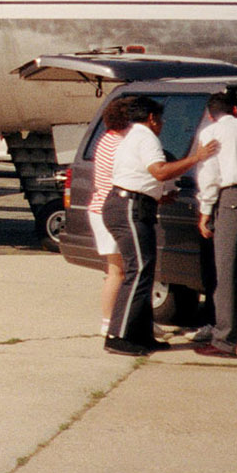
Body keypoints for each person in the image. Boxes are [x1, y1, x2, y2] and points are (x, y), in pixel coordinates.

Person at [103, 96, 220, 355]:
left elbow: (142, 175)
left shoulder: (133, 136)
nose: (163, 124)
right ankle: (117, 336)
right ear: (152, 118)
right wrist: (196, 158)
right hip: (129, 207)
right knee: (138, 271)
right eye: (161, 119)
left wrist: (159, 195)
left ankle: (141, 335)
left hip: (133, 204)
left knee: (144, 272)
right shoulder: (146, 137)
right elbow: (160, 171)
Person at [194, 92, 237, 357]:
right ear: (235, 109)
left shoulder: (211, 132)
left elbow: (210, 174)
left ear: (211, 115)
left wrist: (205, 210)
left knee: (225, 274)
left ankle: (225, 339)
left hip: (231, 197)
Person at [87, 98, 132, 338]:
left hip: (98, 209)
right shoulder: (120, 143)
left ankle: (114, 318)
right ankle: (108, 321)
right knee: (118, 272)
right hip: (110, 210)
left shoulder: (105, 139)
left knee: (116, 270)